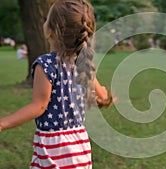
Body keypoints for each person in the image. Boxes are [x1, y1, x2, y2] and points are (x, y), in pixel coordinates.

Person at [0, 0, 114, 168]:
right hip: (80, 144)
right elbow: (102, 95)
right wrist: (103, 93)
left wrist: (3, 123)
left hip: (55, 147)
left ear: (51, 30)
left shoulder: (46, 64)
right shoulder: (83, 64)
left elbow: (39, 106)